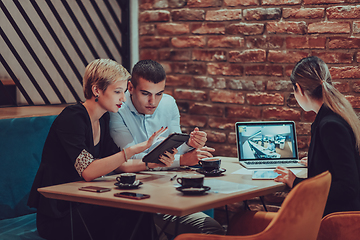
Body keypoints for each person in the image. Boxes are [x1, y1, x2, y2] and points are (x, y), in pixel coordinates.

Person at [27, 59, 175, 240]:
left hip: (84, 201)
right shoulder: (72, 118)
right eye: (117, 92)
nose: (123, 98)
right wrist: (132, 150)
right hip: (61, 214)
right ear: (97, 90)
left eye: (123, 92)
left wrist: (151, 163)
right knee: (129, 211)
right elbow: (88, 171)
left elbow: (119, 164)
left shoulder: (102, 120)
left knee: (137, 208)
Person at [109, 60, 225, 237]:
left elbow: (174, 148)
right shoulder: (117, 109)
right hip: (137, 196)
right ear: (130, 88)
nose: (152, 102)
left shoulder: (168, 103)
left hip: (167, 187)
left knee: (213, 226)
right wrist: (183, 160)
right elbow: (132, 157)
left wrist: (189, 145)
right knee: (211, 228)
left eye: (159, 94)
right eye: (145, 93)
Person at [274, 56, 360, 216]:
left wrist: (296, 182)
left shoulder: (330, 125)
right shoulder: (338, 115)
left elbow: (348, 187)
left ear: (298, 88)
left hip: (335, 220)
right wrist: (317, 162)